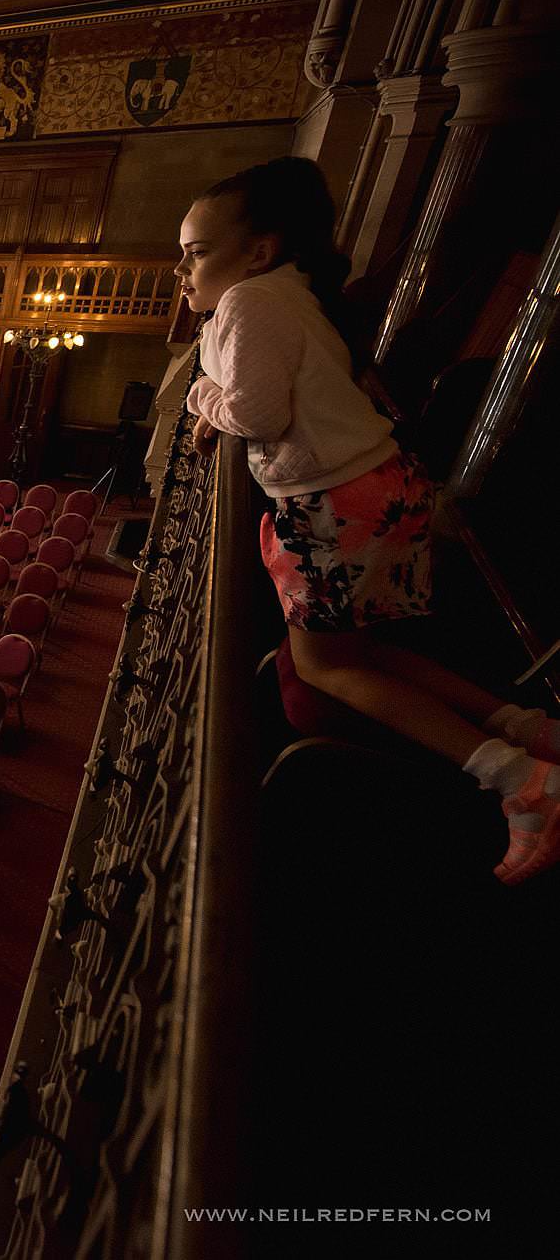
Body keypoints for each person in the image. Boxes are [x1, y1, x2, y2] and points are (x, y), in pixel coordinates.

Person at [179, 155, 560, 885]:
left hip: (334, 506)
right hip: (379, 488)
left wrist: (201, 399)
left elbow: (255, 413)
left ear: (258, 250)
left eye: (196, 253)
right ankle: (529, 727)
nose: (184, 271)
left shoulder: (247, 303)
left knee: (328, 669)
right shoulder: (287, 293)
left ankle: (523, 782)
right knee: (365, 656)